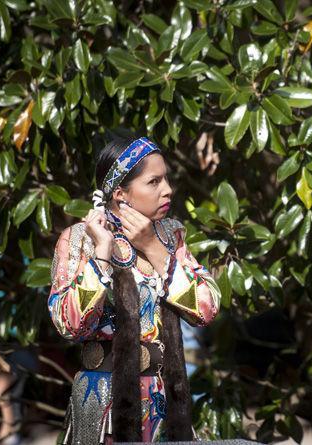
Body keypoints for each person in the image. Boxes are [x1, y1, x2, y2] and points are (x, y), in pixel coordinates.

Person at [47, 133, 221, 443]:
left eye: (165, 179)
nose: (168, 190)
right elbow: (69, 325)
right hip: (103, 405)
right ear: (121, 195)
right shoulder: (80, 239)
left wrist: (154, 249)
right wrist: (101, 253)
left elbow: (205, 309)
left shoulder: (170, 237)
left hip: (166, 404)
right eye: (154, 182)